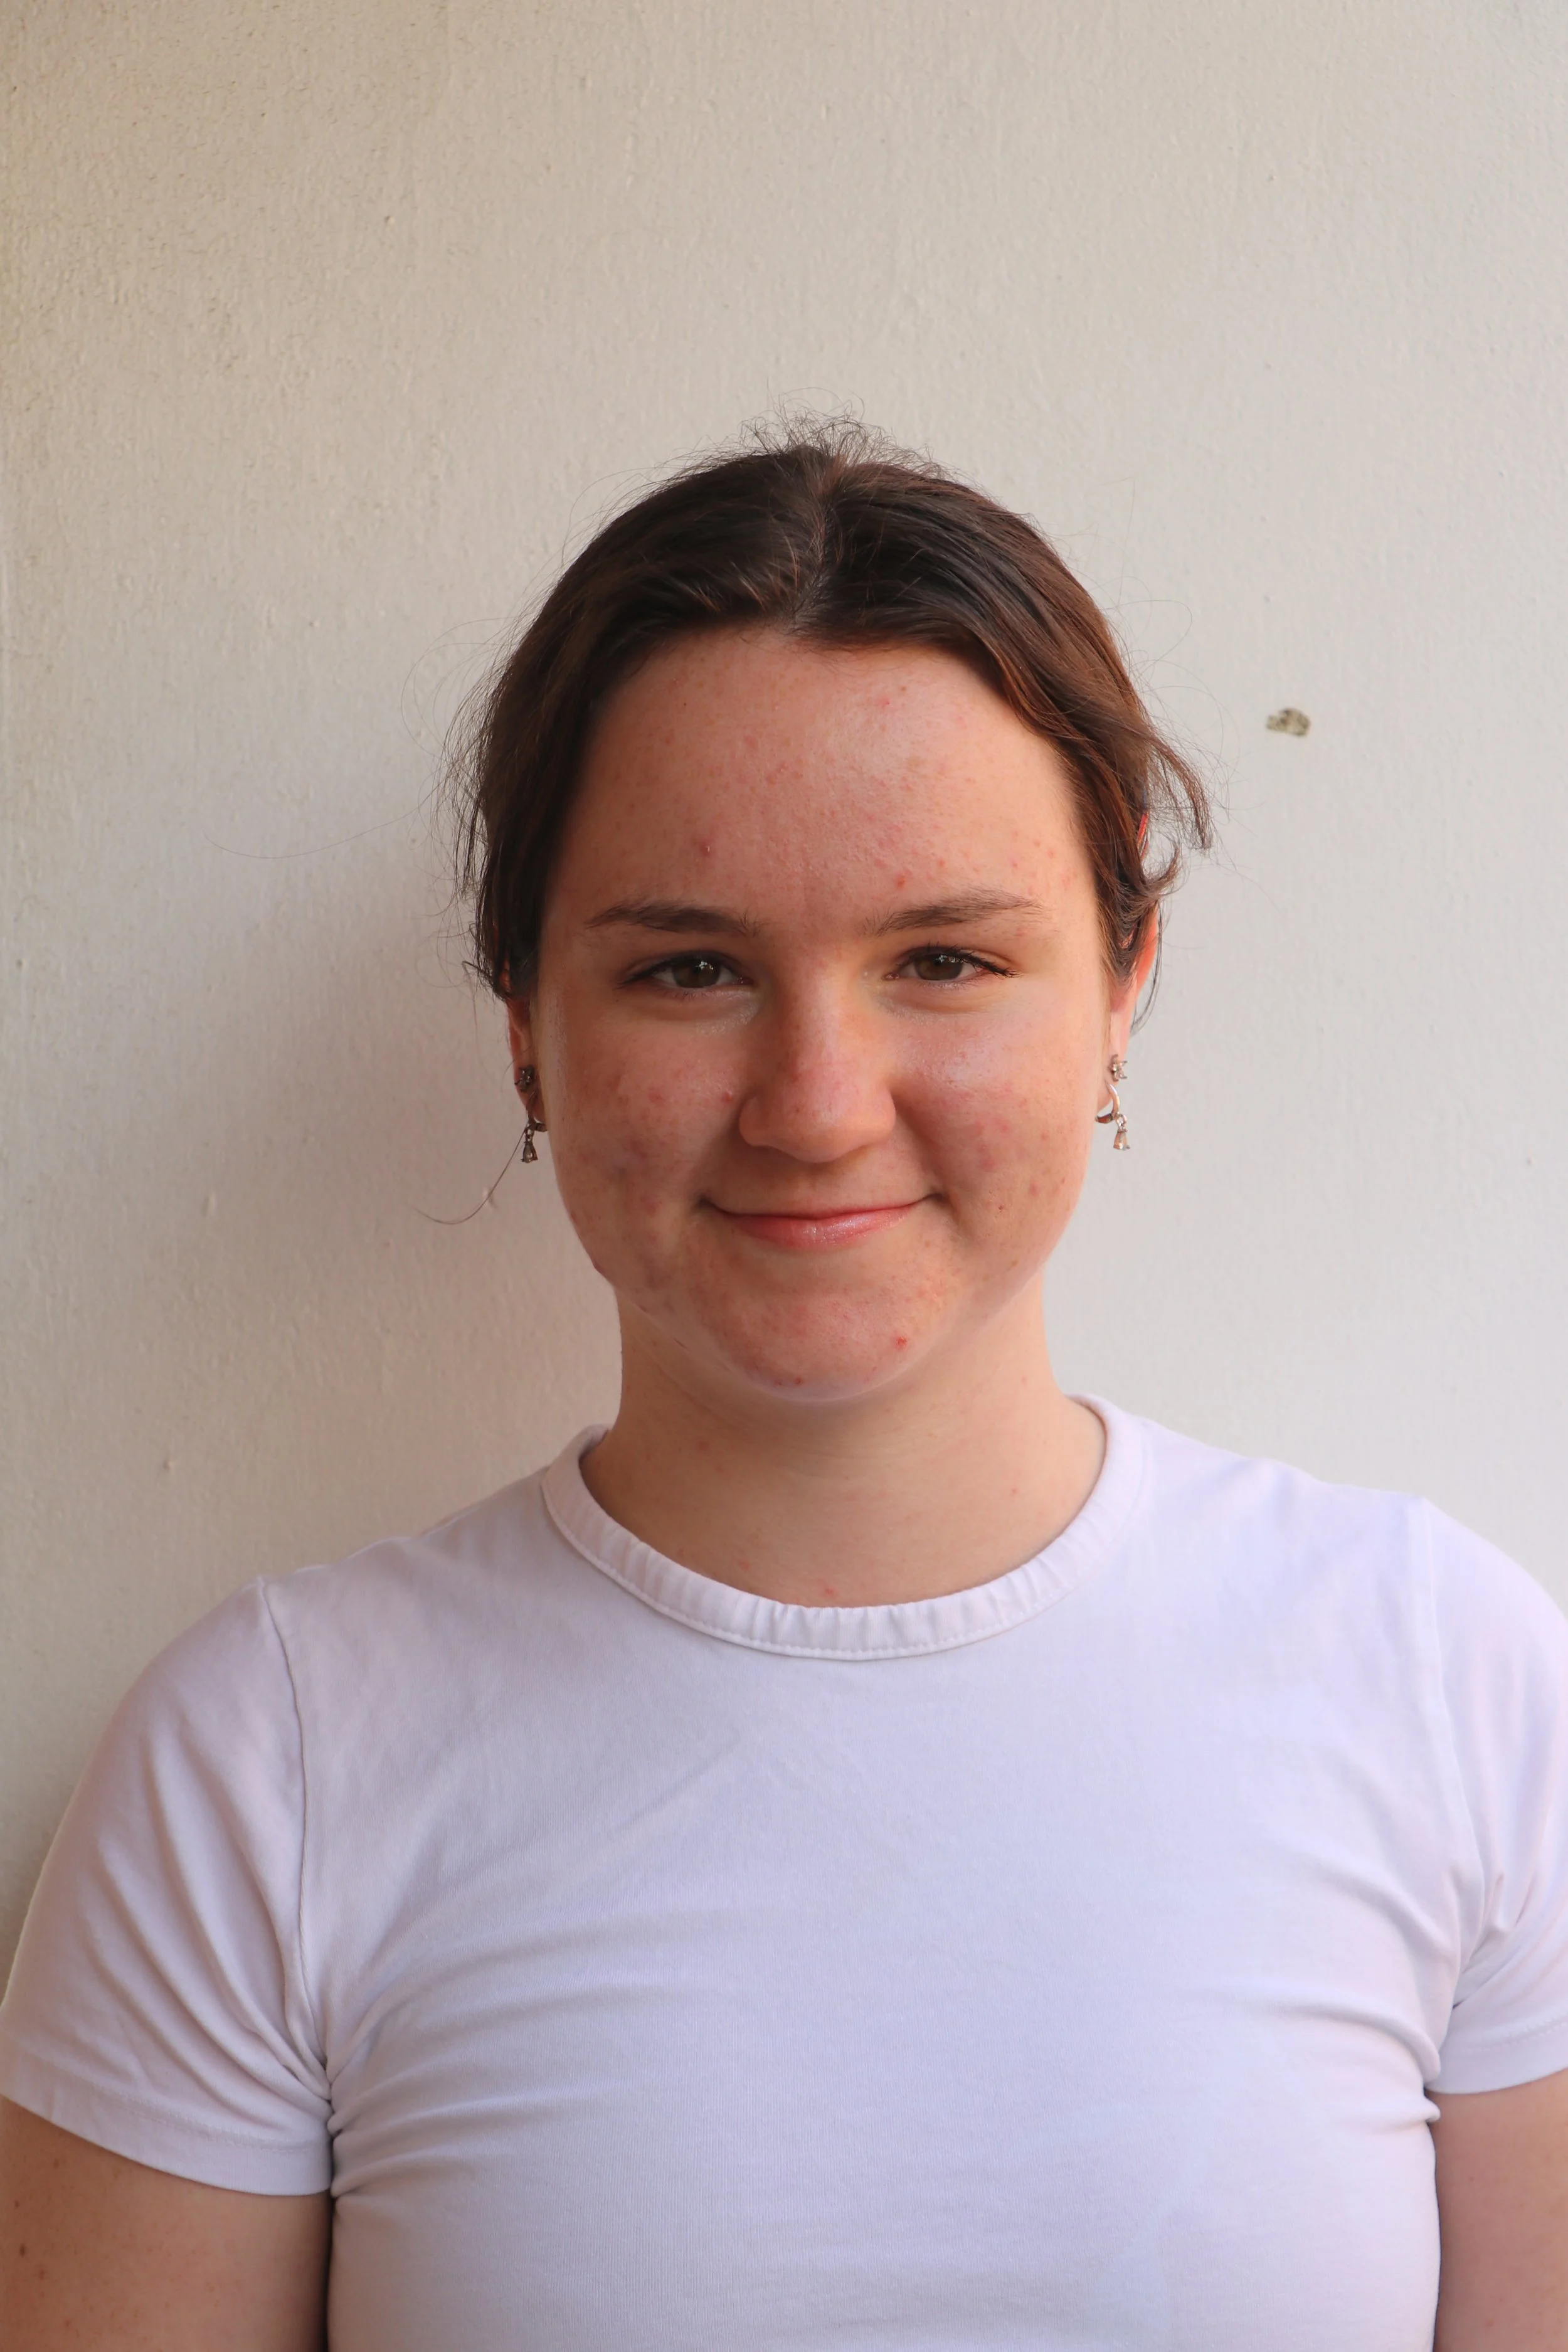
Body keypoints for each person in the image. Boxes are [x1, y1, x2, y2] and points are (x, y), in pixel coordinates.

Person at [3, 425, 1566, 2352]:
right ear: (523, 1025)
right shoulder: (266, 1767)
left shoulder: (1461, 1687)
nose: (817, 1104)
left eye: (940, 956)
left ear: (1120, 984)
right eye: (686, 970)